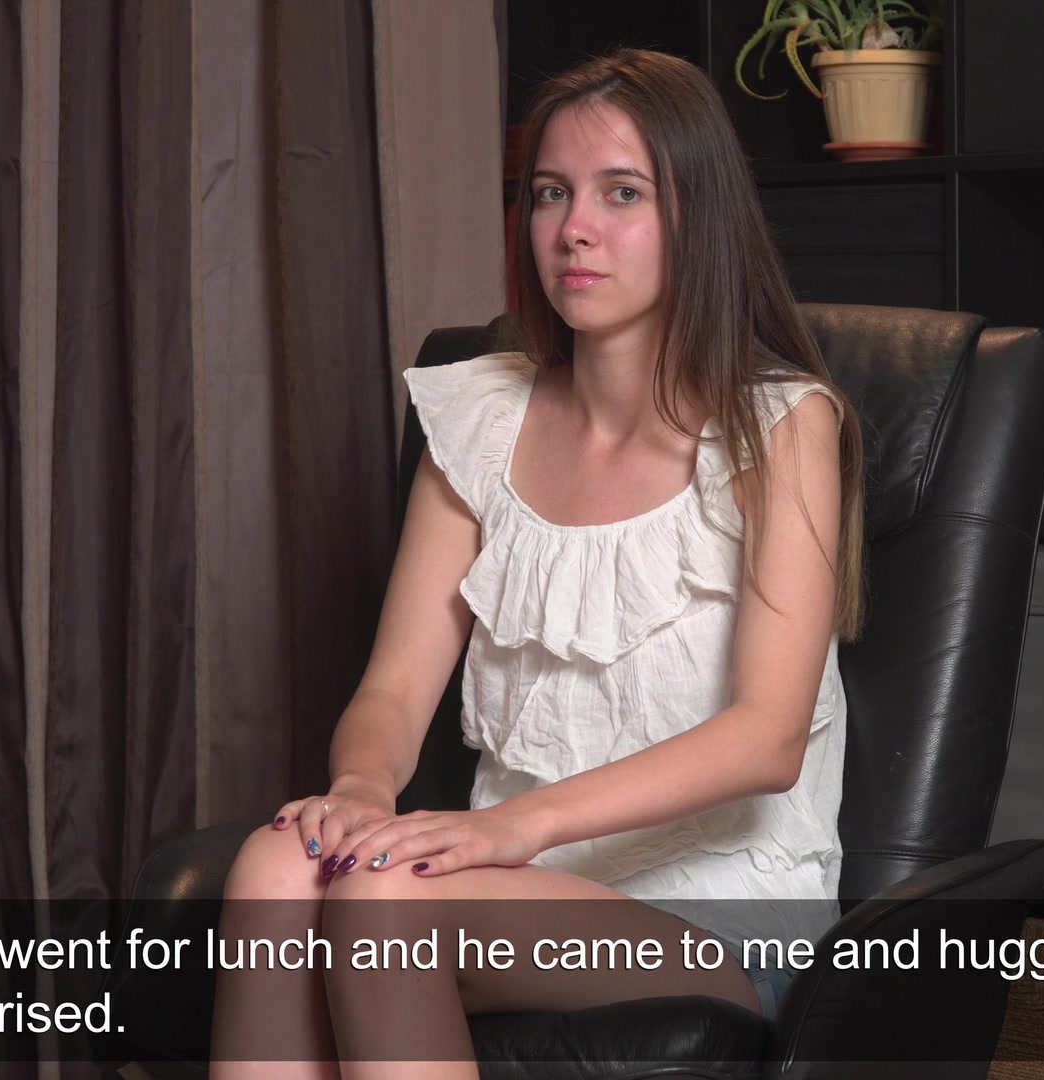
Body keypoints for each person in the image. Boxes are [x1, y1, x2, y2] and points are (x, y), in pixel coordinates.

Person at [210, 48, 868, 1078]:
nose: (574, 229)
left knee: (383, 906)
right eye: (552, 193)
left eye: (623, 193)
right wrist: (362, 787)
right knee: (274, 868)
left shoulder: (780, 425)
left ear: (698, 216)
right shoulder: (479, 416)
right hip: (507, 880)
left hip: (720, 910)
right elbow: (393, 690)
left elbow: (767, 740)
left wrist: (516, 828)